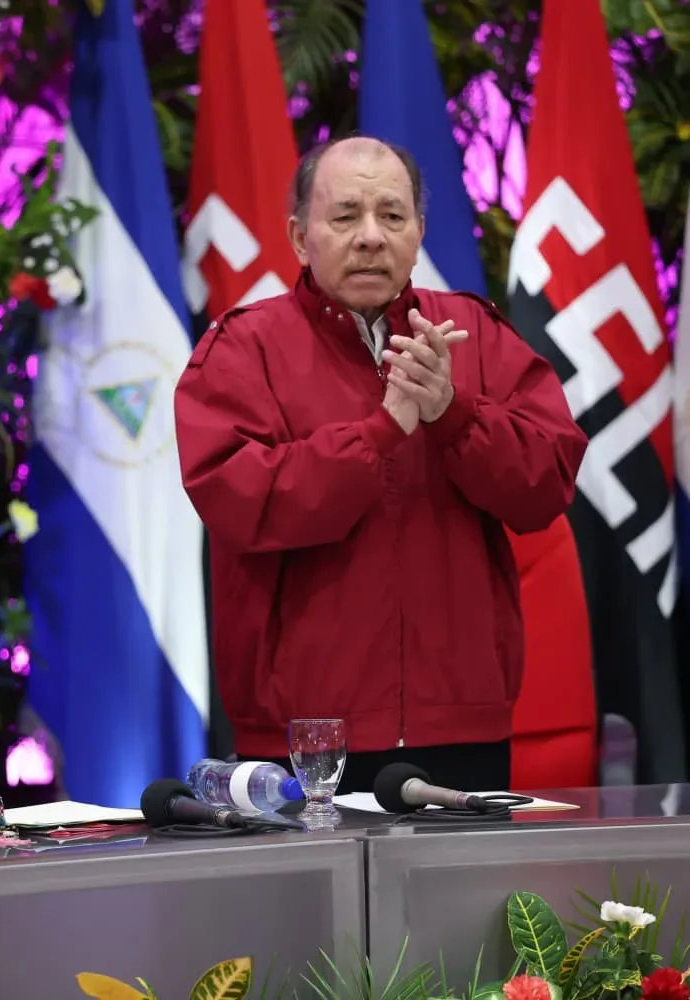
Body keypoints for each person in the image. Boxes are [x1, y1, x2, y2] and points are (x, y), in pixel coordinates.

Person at [174, 137, 588, 795]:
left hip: (461, 721)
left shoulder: (473, 335)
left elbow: (547, 482)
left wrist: (452, 414)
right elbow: (242, 501)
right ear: (299, 235)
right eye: (344, 217)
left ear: (419, 232)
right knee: (313, 903)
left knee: (461, 901)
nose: (370, 237)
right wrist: (381, 431)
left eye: (392, 216)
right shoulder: (242, 347)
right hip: (302, 731)